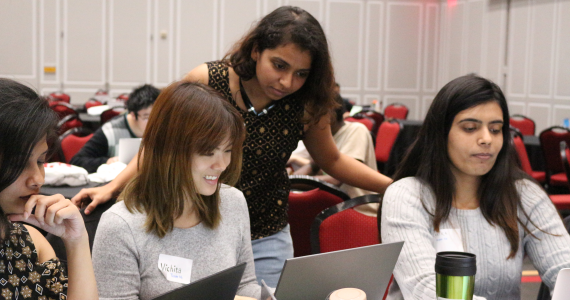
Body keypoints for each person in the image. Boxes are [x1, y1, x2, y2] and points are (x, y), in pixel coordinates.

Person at [73, 5, 392, 287]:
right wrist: (114, 187)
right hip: (201, 223)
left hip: (267, 228)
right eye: (279, 65)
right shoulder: (210, 79)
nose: (287, 82)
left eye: (301, 73)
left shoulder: (305, 101)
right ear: (256, 51)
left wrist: (395, 187)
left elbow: (333, 160)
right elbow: (163, 140)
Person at [380, 74, 570, 299]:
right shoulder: (407, 196)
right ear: (440, 134)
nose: (486, 139)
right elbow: (425, 290)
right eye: (470, 128)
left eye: (496, 129)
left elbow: (563, 269)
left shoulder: (523, 194)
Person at [91, 81, 260, 300]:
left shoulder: (232, 202)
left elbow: (245, 286)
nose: (221, 164)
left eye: (227, 150)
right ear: (169, 151)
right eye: (208, 153)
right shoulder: (120, 226)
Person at [0, 73, 97, 299]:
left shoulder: (30, 242)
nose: (37, 179)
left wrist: (77, 241)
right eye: (18, 163)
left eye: (40, 161)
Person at [292, 94, 377, 199]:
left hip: (356, 206)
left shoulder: (356, 130)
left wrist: (292, 182)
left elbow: (337, 180)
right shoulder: (326, 139)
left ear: (330, 116)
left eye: (311, 116)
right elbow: (311, 167)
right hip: (336, 203)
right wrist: (292, 179)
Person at [69, 84, 160, 173]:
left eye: (157, 115)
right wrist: (107, 162)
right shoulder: (110, 131)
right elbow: (77, 161)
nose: (153, 121)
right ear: (133, 114)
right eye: (146, 117)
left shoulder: (162, 129)